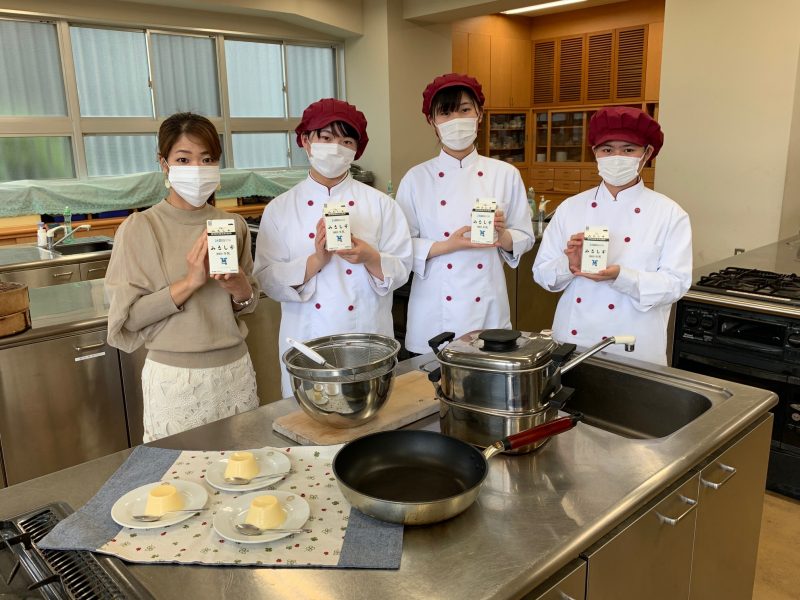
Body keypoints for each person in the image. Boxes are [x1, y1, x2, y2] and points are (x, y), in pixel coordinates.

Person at [106, 112, 260, 442]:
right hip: (176, 380)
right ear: (164, 163)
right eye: (183, 159)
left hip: (234, 370)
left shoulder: (233, 225)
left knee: (241, 466)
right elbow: (128, 318)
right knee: (178, 471)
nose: (197, 168)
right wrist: (190, 283)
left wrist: (240, 289)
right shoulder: (141, 228)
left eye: (207, 159)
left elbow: (246, 305)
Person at [254, 98, 412, 395]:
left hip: (366, 338)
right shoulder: (280, 209)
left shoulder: (381, 204)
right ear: (306, 141)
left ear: (356, 150)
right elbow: (266, 278)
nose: (336, 148)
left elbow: (403, 267)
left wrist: (370, 257)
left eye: (346, 141)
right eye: (326, 138)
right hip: (307, 343)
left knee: (370, 414)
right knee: (309, 417)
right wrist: (315, 261)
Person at [532, 106, 692, 365]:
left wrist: (621, 276)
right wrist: (570, 265)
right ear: (595, 152)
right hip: (571, 344)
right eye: (607, 149)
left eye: (628, 150)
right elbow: (542, 275)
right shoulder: (571, 208)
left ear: (647, 153)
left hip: (634, 346)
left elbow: (676, 285)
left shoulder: (669, 213)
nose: (617, 157)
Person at [395, 73, 535, 354]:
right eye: (445, 113)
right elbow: (400, 245)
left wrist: (502, 236)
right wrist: (448, 245)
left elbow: (525, 236)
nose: (456, 119)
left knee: (487, 375)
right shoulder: (416, 178)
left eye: (464, 109)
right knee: (429, 378)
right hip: (434, 309)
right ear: (432, 122)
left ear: (479, 114)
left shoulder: (505, 174)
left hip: (486, 305)